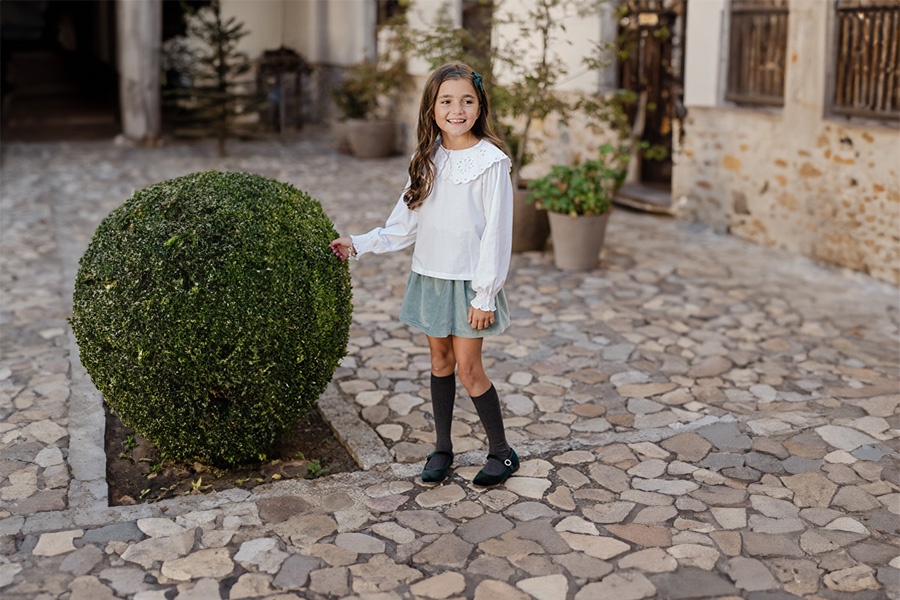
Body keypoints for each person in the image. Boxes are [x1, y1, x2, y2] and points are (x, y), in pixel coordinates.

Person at [329, 63, 517, 488]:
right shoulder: (426, 159)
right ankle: (443, 447)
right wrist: (359, 243)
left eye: (467, 100)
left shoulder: (492, 162)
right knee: (439, 362)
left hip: (471, 282)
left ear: (480, 105)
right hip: (431, 276)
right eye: (446, 101)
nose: (457, 109)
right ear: (432, 109)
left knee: (469, 370)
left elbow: (496, 235)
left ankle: (502, 454)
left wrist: (485, 294)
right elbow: (405, 224)